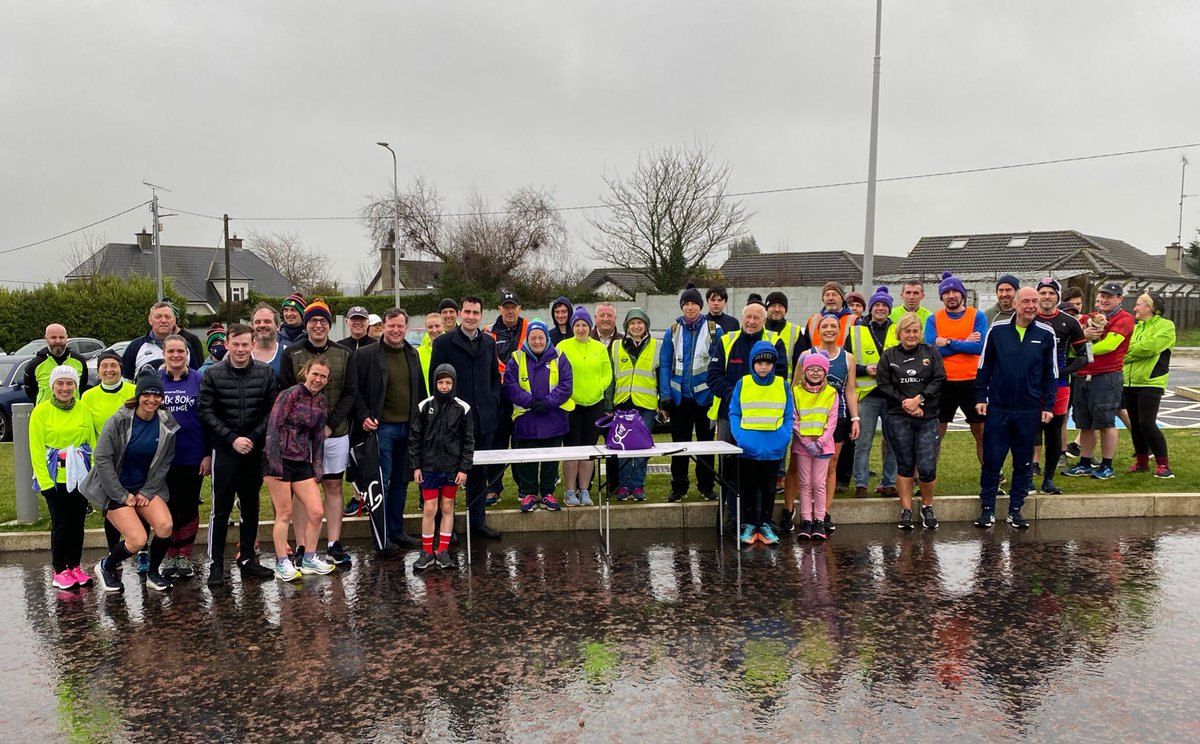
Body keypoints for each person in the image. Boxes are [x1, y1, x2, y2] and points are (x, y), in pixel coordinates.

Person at [81, 369, 177, 592]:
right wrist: (121, 494)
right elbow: (102, 458)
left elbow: (165, 462)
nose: (152, 400)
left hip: (144, 488)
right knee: (138, 540)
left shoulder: (166, 422)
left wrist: (147, 491)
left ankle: (153, 573)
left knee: (165, 526)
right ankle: (106, 566)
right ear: (138, 395)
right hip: (114, 489)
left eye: (157, 395)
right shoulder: (119, 420)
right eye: (147, 394)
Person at [198, 323, 279, 586]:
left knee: (251, 506)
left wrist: (252, 438)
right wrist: (232, 439)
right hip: (225, 450)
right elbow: (206, 411)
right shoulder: (213, 374)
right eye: (236, 344)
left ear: (253, 345)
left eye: (246, 344)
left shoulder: (265, 373)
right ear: (228, 345)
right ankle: (216, 564)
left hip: (253, 451)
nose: (241, 349)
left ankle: (248, 558)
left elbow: (272, 410)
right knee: (220, 509)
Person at [281, 298, 359, 565]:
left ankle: (334, 543)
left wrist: (329, 425)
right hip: (299, 438)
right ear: (306, 324)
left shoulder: (344, 354)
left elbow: (350, 393)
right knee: (304, 490)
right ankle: (303, 546)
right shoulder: (291, 353)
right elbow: (285, 394)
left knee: (333, 486)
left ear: (329, 324)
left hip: (335, 433)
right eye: (312, 320)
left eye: (322, 321)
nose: (317, 325)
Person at [973, 287, 1058, 530]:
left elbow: (1050, 374)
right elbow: (984, 368)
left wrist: (1048, 405)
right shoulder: (997, 331)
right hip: (998, 408)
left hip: (1029, 410)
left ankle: (1016, 510)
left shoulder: (1045, 334)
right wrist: (981, 397)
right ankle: (987, 509)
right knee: (992, 460)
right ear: (1016, 304)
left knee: (1023, 462)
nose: (1031, 305)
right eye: (1027, 301)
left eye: (1035, 301)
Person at [429, 296, 502, 540]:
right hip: (452, 422)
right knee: (446, 476)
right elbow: (435, 381)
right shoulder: (444, 343)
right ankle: (444, 528)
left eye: (476, 312)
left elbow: (494, 377)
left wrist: (493, 400)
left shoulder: (489, 343)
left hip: (483, 420)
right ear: (460, 314)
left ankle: (477, 522)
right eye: (467, 312)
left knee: (478, 474)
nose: (471, 316)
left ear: (482, 315)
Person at [708, 303, 786, 530]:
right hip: (730, 417)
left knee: (761, 471)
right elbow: (713, 377)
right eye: (748, 317)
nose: (751, 321)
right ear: (742, 318)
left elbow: (780, 377)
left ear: (764, 320)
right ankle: (734, 519)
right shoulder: (726, 341)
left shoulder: (774, 341)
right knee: (731, 470)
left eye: (756, 317)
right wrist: (738, 395)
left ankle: (761, 520)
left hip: (765, 420)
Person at [355, 308, 425, 550]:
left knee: (401, 481)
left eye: (400, 326)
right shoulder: (366, 355)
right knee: (381, 484)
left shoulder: (412, 354)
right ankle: (380, 535)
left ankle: (397, 531)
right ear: (382, 326)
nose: (396, 330)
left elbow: (421, 392)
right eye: (391, 325)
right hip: (381, 429)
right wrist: (364, 415)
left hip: (408, 429)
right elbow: (356, 391)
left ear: (406, 328)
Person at [265, 356, 333, 580]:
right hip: (279, 459)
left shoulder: (322, 401)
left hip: (302, 460)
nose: (318, 379)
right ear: (306, 372)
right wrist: (274, 464)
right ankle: (282, 562)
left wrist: (318, 468)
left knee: (316, 511)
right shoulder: (290, 394)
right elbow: (273, 427)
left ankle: (309, 558)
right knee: (284, 512)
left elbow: (319, 438)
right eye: (315, 374)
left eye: (323, 376)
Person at [877, 313, 947, 530]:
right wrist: (906, 403)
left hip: (928, 416)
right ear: (899, 333)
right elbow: (884, 384)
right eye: (907, 331)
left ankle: (927, 507)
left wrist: (920, 400)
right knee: (905, 465)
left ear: (920, 333)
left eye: (915, 331)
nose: (911, 335)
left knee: (926, 467)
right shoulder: (889, 356)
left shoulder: (931, 352)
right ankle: (906, 510)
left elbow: (939, 379)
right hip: (899, 417)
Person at [29, 365, 95, 590]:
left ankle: (75, 566)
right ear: (52, 386)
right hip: (56, 476)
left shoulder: (83, 408)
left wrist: (93, 471)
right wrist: (45, 482)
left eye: (70, 384)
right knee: (61, 525)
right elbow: (36, 449)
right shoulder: (41, 411)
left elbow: (91, 442)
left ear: (76, 386)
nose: (65, 388)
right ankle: (59, 570)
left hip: (80, 477)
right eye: (60, 383)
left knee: (77, 524)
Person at [1061, 282, 1135, 480]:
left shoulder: (1125, 319)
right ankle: (1085, 462)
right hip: (1082, 375)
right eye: (1101, 296)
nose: (1103, 300)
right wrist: (1080, 342)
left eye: (1109, 297)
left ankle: (1107, 465)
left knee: (1106, 422)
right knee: (1084, 423)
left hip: (1106, 376)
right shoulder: (1087, 318)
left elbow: (1110, 345)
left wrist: (1081, 348)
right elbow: (1073, 337)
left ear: (1120, 298)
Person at [792, 314, 859, 534]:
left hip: (835, 419)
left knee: (831, 465)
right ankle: (798, 513)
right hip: (806, 422)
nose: (829, 329)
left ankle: (823, 513)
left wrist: (855, 418)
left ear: (840, 330)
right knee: (800, 469)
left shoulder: (847, 357)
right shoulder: (805, 355)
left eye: (833, 326)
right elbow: (795, 387)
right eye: (825, 326)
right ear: (817, 331)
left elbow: (850, 390)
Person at [410, 364, 475, 571]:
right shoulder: (424, 406)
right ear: (435, 383)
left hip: (451, 468)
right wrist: (416, 466)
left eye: (448, 382)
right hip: (429, 468)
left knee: (448, 506)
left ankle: (443, 551)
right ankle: (427, 551)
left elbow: (468, 441)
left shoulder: (462, 408)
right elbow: (415, 438)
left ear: (454, 383)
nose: (444, 386)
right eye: (440, 382)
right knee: (430, 508)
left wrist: (464, 469)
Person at [659, 284, 720, 502]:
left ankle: (706, 486)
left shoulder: (714, 330)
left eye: (694, 303)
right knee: (679, 445)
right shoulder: (673, 331)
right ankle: (679, 487)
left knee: (706, 445)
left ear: (700, 307)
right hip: (679, 400)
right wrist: (665, 396)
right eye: (686, 304)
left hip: (705, 399)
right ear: (682, 306)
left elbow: (718, 365)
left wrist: (716, 395)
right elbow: (665, 364)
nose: (690, 307)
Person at [729, 341, 794, 546]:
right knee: (748, 487)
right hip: (748, 447)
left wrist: (783, 438)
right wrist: (741, 438)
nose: (764, 367)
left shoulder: (782, 384)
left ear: (774, 364)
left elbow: (789, 415)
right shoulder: (743, 383)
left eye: (768, 363)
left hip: (773, 448)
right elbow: (735, 412)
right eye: (759, 363)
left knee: (769, 488)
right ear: (752, 364)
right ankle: (749, 524)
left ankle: (765, 523)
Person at [504, 320, 572, 512]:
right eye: (533, 338)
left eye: (540, 337)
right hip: (526, 418)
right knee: (528, 460)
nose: (537, 341)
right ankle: (529, 494)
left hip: (553, 418)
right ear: (527, 339)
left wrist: (548, 403)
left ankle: (548, 493)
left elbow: (566, 385)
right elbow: (510, 386)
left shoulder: (559, 357)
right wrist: (531, 402)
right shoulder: (516, 358)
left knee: (551, 460)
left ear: (547, 338)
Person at [158, 335, 209, 580]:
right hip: (161, 457)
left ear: (187, 353)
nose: (176, 355)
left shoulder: (199, 380)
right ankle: (170, 553)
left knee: (187, 505)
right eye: (171, 351)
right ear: (164, 354)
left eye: (181, 351)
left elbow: (208, 420)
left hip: (192, 455)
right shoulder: (156, 381)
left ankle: (184, 554)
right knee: (168, 506)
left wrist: (207, 454)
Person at [1033, 278, 1090, 494]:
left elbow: (1085, 356)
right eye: (1043, 293)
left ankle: (1048, 479)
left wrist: (1062, 371)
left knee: (1054, 432)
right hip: (1031, 386)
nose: (1047, 297)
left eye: (1051, 293)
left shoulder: (1070, 321)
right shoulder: (1028, 319)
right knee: (1030, 430)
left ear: (1058, 296)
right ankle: (1029, 474)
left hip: (1059, 385)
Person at [927, 272, 988, 469]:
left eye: (955, 291)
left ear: (962, 294)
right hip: (943, 382)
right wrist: (964, 343)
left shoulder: (977, 316)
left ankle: (992, 475)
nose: (951, 295)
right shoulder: (933, 319)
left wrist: (949, 342)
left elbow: (978, 348)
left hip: (972, 381)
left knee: (981, 431)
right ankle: (927, 477)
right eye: (946, 292)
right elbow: (932, 352)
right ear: (941, 296)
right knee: (937, 432)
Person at [556, 305, 612, 507]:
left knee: (589, 450)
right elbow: (556, 373)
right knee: (572, 450)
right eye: (577, 325)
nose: (581, 329)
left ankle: (585, 490)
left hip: (594, 404)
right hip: (571, 405)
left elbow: (608, 373)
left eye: (584, 325)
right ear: (573, 327)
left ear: (590, 327)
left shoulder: (599, 347)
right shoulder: (563, 347)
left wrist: (599, 387)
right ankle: (570, 491)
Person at [847, 286, 899, 499]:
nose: (880, 309)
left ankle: (889, 482)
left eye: (884, 306)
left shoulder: (898, 329)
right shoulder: (856, 330)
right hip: (866, 394)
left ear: (889, 309)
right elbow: (848, 361)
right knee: (863, 441)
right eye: (876, 305)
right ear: (870, 308)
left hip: (892, 394)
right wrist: (864, 370)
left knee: (894, 441)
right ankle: (861, 483)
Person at [607, 308, 658, 501]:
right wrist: (608, 406)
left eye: (640, 323)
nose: (636, 327)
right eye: (632, 323)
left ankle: (638, 486)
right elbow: (611, 378)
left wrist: (663, 404)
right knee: (623, 446)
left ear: (646, 326)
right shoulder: (616, 346)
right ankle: (623, 485)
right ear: (626, 326)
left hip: (645, 404)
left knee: (642, 447)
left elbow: (660, 375)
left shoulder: (656, 346)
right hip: (622, 403)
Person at [1123, 292, 1176, 478]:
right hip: (1130, 381)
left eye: (1138, 304)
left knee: (1147, 422)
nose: (1135, 308)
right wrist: (1131, 352)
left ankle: (1163, 465)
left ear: (1151, 308)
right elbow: (1125, 350)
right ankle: (1142, 462)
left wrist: (1130, 352)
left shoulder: (1166, 326)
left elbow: (1149, 347)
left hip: (1151, 382)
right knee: (1136, 425)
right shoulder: (1135, 327)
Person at [483, 290, 528, 504]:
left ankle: (524, 487)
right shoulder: (489, 332)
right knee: (497, 442)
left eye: (513, 306)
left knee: (522, 441)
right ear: (500, 309)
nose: (510, 311)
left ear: (519, 308)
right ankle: (493, 487)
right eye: (506, 307)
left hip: (522, 395)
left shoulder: (531, 329)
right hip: (498, 396)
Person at [789, 351, 838, 540]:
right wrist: (804, 441)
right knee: (804, 484)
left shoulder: (831, 393)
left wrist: (820, 442)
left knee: (818, 483)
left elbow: (832, 421)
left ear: (825, 372)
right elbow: (794, 418)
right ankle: (806, 521)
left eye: (819, 369)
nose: (815, 373)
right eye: (811, 369)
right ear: (805, 371)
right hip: (803, 446)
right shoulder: (796, 392)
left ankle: (819, 520)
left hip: (822, 447)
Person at [124, 301, 197, 378]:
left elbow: (195, 378)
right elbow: (126, 381)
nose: (163, 320)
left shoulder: (186, 346)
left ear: (174, 320)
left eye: (167, 317)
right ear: (150, 320)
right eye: (158, 317)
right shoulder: (135, 347)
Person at [24, 323, 89, 405]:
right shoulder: (34, 364)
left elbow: (82, 386)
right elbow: (31, 391)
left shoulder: (79, 361)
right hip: (46, 414)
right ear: (46, 339)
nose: (58, 341)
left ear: (66, 338)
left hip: (73, 412)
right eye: (53, 337)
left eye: (61, 337)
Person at [81, 350, 135, 437]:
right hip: (102, 449)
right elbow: (88, 431)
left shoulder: (135, 391)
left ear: (121, 369)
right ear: (98, 371)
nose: (109, 370)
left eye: (114, 365)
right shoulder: (88, 396)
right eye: (104, 366)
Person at [801, 282, 855, 351]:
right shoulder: (813, 321)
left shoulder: (855, 321)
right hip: (817, 361)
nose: (830, 298)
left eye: (834, 295)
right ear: (823, 299)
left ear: (842, 298)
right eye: (827, 295)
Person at [764, 291, 803, 377]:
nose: (777, 309)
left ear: (786, 310)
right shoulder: (759, 329)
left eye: (780, 306)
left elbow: (800, 363)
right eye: (773, 305)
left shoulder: (795, 331)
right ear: (766, 308)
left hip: (786, 386)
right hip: (761, 385)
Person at [249, 302, 287, 375]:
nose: (262, 325)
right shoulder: (240, 352)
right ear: (252, 326)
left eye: (267, 321)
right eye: (258, 322)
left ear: (278, 326)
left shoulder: (287, 353)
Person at [417, 312, 445, 382]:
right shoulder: (418, 353)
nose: (434, 330)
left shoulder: (453, 349)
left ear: (443, 326)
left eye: (437, 326)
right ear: (426, 328)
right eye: (430, 327)